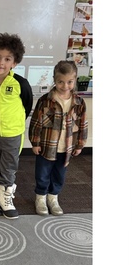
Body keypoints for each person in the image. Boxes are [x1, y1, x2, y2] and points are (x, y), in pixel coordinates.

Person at [0, 33, 33, 219]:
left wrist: (14, 123)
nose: (1, 62)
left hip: (13, 134)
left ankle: (5, 199)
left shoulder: (20, 83)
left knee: (9, 166)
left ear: (14, 63)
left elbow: (27, 105)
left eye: (7, 59)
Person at [28, 60, 88, 216]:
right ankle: (40, 198)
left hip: (66, 148)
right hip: (47, 146)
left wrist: (80, 144)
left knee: (59, 175)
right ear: (54, 80)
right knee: (42, 174)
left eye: (69, 82)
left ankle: (53, 198)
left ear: (74, 80)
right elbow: (36, 123)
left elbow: (83, 124)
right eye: (61, 82)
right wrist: (35, 142)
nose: (65, 86)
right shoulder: (45, 101)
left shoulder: (79, 103)